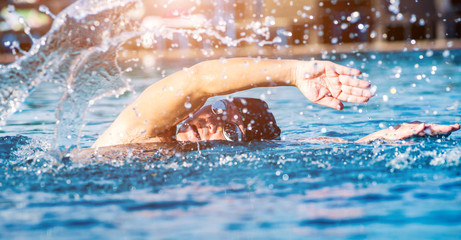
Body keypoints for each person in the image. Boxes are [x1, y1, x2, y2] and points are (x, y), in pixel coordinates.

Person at [91, 58, 459, 148]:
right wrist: (296, 71)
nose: (211, 121)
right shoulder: (139, 132)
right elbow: (196, 81)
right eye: (216, 109)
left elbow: (309, 148)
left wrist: (383, 137)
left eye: (229, 127)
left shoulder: (201, 166)